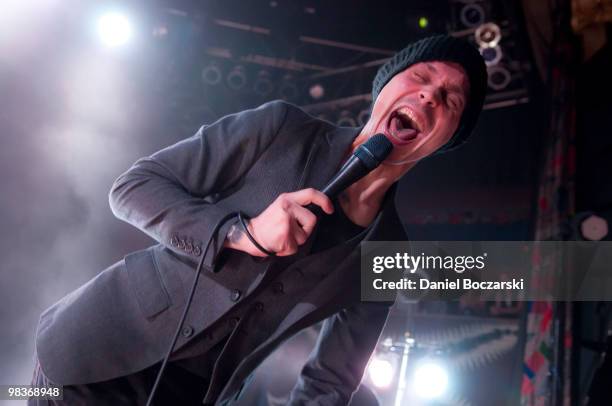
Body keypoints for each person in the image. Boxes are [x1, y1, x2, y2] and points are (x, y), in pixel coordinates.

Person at [29, 34, 486, 405]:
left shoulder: (388, 252)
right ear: (383, 88)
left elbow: (331, 381)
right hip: (87, 359)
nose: (430, 93)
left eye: (451, 99)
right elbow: (133, 187)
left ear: (446, 139)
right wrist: (237, 233)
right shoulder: (280, 129)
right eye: (422, 76)